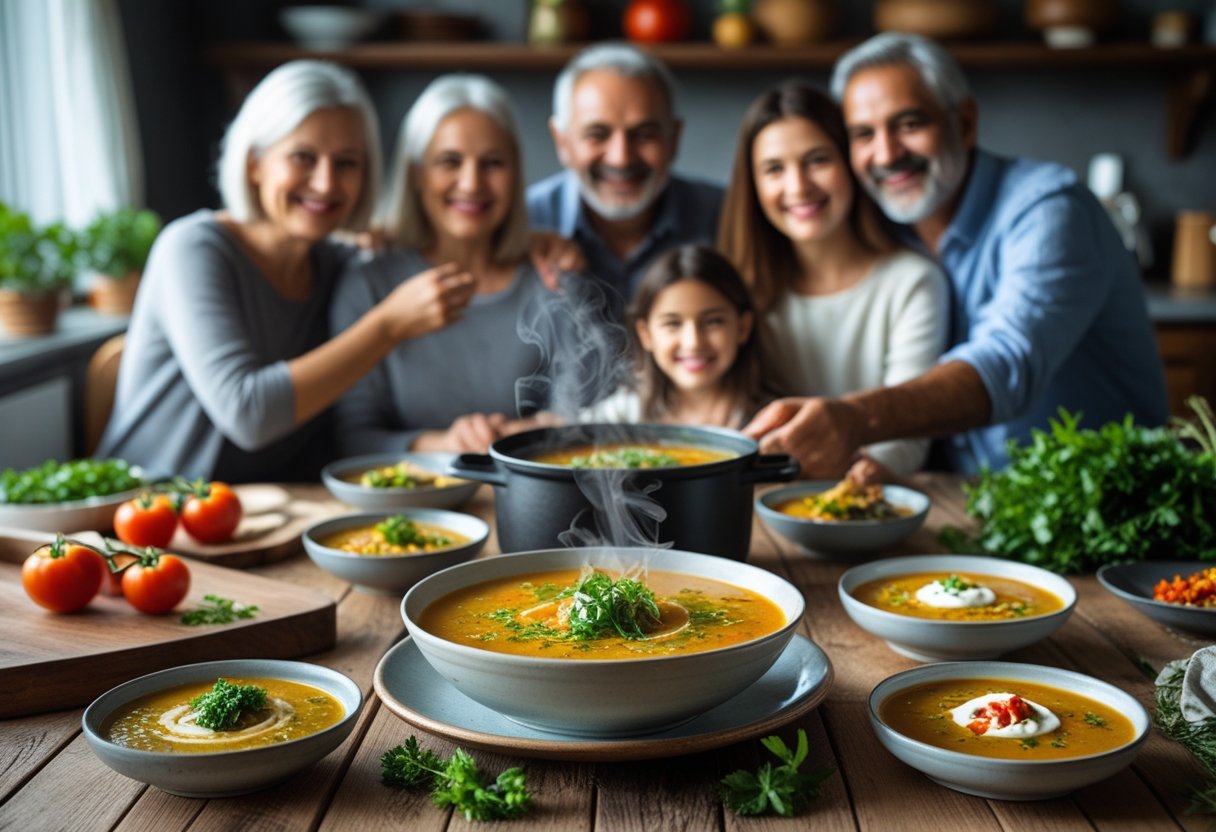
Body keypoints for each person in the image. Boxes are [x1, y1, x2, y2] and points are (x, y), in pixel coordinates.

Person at [744, 33, 1169, 477]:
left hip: (1103, 496)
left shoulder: (1048, 211)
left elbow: (1007, 363)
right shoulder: (889, 224)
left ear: (965, 123)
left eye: (909, 124)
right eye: (864, 134)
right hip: (973, 501)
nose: (886, 153)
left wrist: (854, 419)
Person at [97, 61, 444, 481]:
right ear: (254, 163)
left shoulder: (338, 264)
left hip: (266, 516)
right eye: (303, 157)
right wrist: (386, 326)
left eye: (347, 163)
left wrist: (529, 241)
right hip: (144, 515)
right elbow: (248, 414)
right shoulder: (191, 248)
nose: (326, 183)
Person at [719, 79, 948, 476]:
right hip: (758, 497)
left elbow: (907, 440)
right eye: (774, 169)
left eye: (817, 160)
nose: (798, 187)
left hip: (870, 497)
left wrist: (848, 485)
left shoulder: (912, 282)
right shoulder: (736, 292)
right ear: (753, 186)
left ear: (852, 164)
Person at [330, 74, 569, 454]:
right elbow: (352, 437)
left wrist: (514, 436)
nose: (472, 183)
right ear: (416, 174)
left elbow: (586, 420)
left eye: (493, 163)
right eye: (449, 161)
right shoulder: (368, 281)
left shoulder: (554, 280)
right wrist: (445, 445)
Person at [527, 42, 723, 309]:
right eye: (597, 134)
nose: (621, 158)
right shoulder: (523, 223)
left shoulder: (726, 218)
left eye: (644, 135)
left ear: (674, 139)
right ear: (562, 142)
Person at [580, 243, 769, 428]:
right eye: (673, 324)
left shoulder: (772, 419)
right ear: (646, 334)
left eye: (713, 321)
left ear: (743, 327)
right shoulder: (624, 413)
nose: (693, 342)